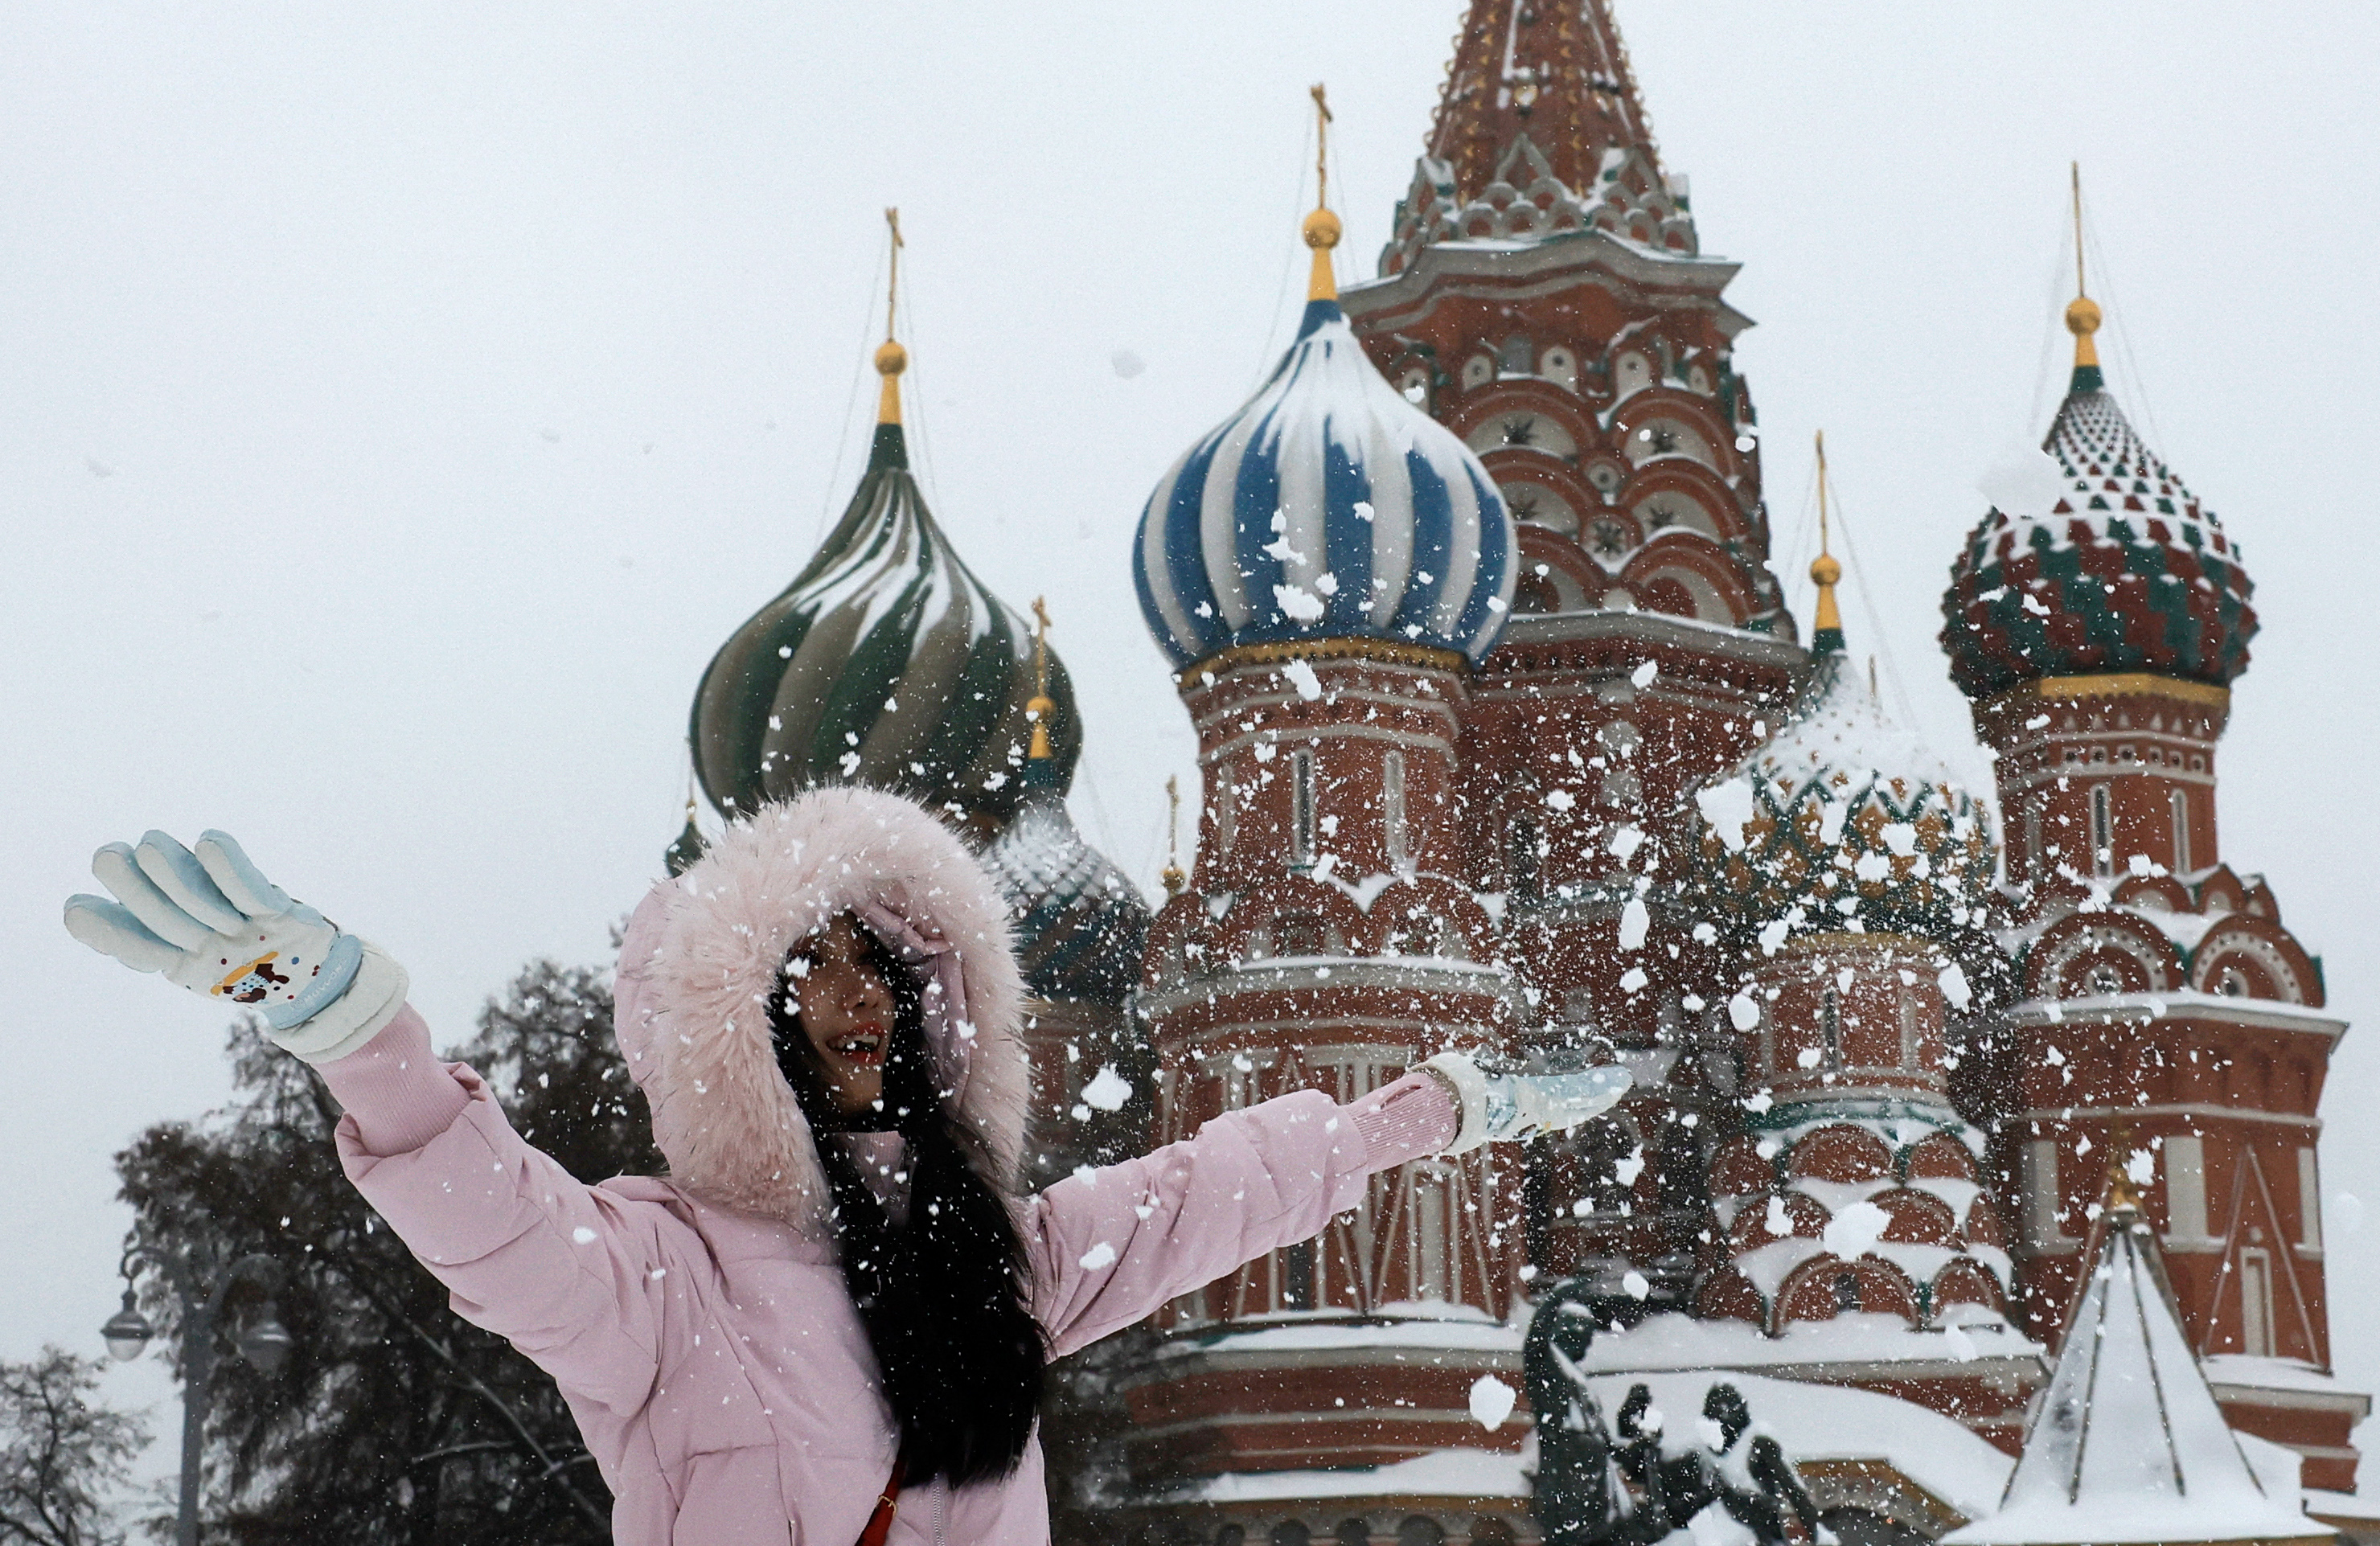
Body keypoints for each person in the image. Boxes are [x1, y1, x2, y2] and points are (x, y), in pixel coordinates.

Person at [64, 788, 1633, 1545]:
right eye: (808, 969)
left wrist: (1438, 1106)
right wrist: (360, 1036)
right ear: (726, 1023)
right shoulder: (663, 1269)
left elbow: (1203, 1192)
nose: (858, 997)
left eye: (884, 966)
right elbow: (501, 1232)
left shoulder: (987, 1259)